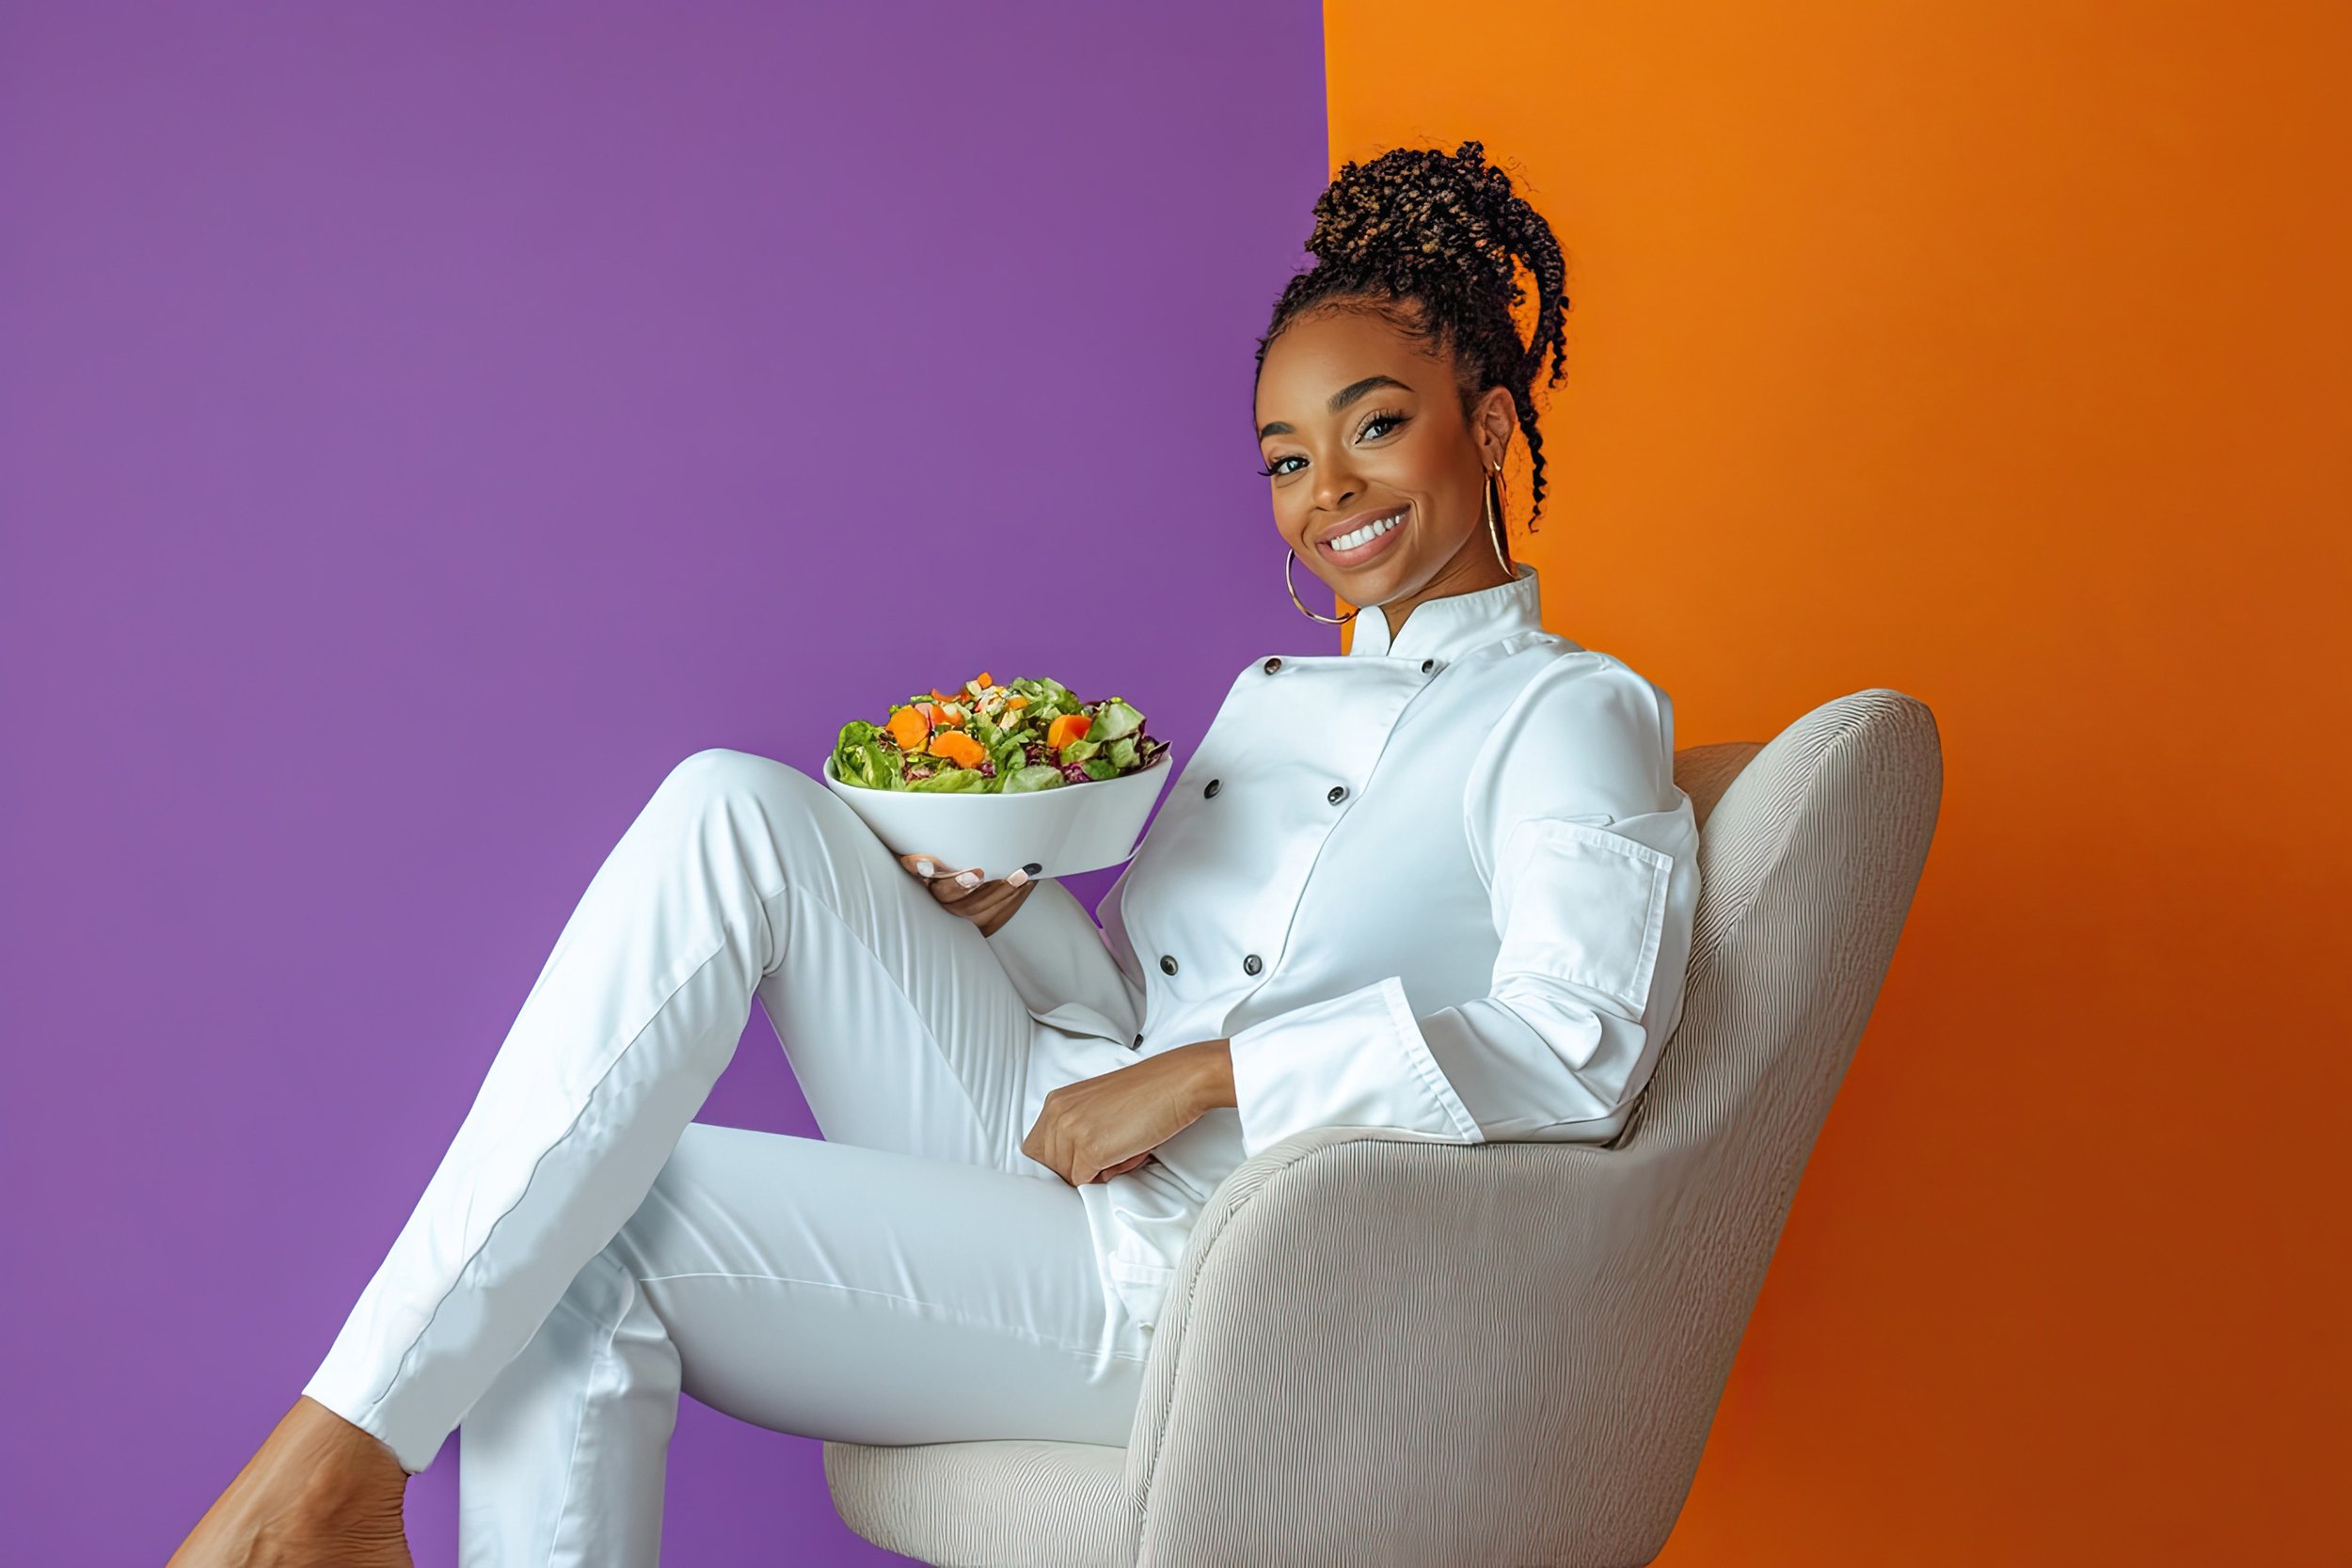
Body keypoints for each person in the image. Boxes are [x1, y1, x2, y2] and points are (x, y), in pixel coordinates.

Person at [167, 137, 1701, 1567]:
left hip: (1218, 1266)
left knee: (597, 1224)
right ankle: (338, 1456)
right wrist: (1014, 919)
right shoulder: (1268, 696)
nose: (1331, 492)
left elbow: (1583, 1043)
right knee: (731, 806)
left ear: (1487, 424)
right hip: (1069, 1147)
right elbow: (1131, 1015)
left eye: (1374, 425)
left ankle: (323, 1484)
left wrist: (1214, 1075)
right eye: (1287, 460)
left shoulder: (1569, 711)